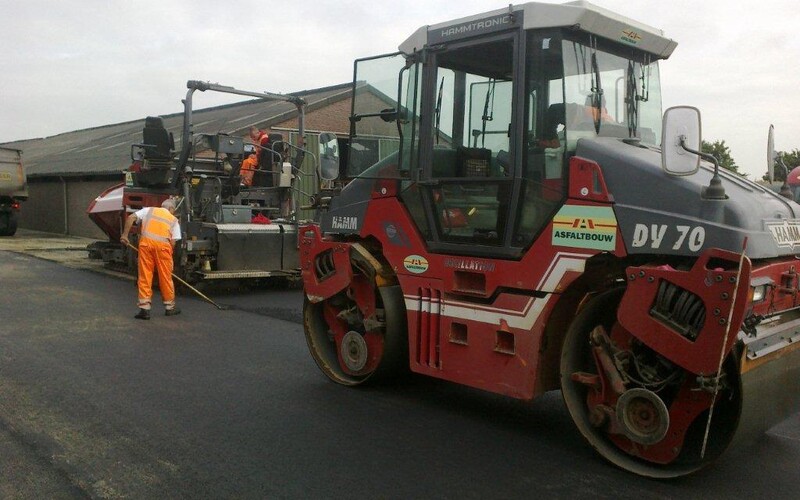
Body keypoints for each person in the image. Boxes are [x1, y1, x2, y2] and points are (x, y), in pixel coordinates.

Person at [120, 198, 182, 320]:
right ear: (171, 209)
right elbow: (173, 242)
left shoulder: (148, 211)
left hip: (146, 246)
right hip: (164, 248)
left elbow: (130, 218)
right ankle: (170, 307)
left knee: (145, 276)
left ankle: (145, 309)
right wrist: (168, 255)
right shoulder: (174, 220)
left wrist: (125, 235)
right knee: (165, 277)